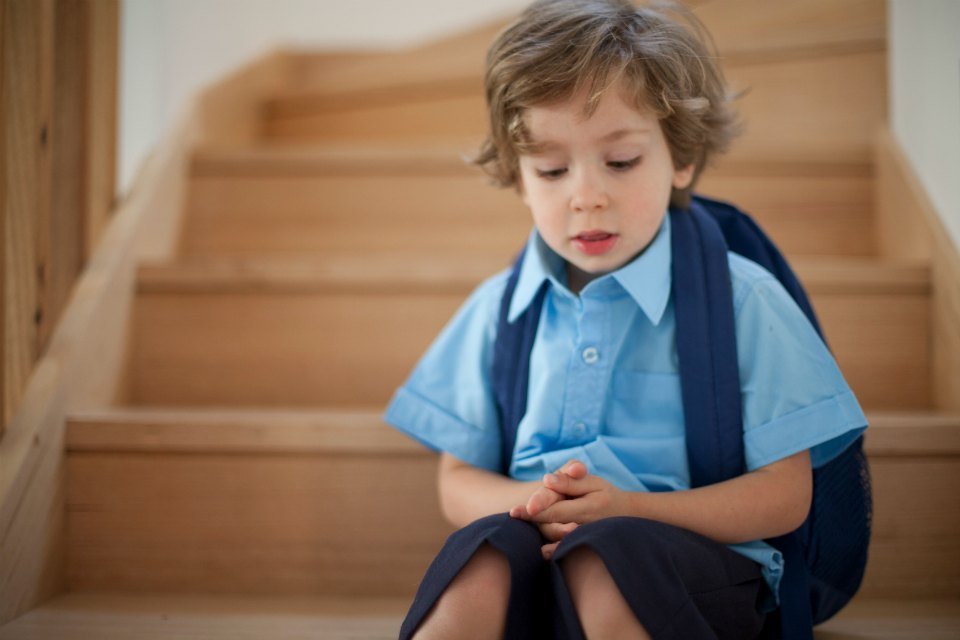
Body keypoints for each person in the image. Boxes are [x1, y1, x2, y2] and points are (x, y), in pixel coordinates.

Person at [384, 1, 868, 638]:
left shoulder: (744, 299)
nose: (586, 195)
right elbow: (456, 481)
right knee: (480, 562)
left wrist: (628, 508)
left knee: (607, 560)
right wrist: (539, 506)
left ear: (682, 160)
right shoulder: (500, 309)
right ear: (520, 180)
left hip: (692, 569)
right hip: (539, 551)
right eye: (552, 170)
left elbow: (786, 496)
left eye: (621, 162)